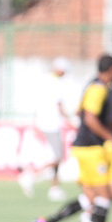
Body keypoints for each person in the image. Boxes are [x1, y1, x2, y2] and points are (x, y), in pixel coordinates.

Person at [35, 54, 112, 222]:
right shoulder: (98, 89)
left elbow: (82, 112)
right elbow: (88, 117)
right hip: (91, 149)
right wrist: (110, 137)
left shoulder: (96, 86)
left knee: (91, 199)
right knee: (104, 197)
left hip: (90, 148)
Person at [18, 57, 75, 201]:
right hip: (51, 123)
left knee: (56, 156)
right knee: (58, 157)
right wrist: (70, 120)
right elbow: (59, 105)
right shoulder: (56, 83)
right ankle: (31, 175)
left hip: (44, 121)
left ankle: (54, 188)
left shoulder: (44, 79)